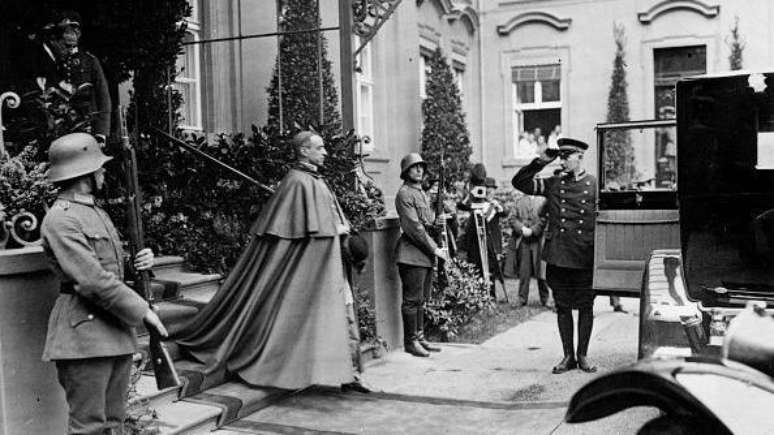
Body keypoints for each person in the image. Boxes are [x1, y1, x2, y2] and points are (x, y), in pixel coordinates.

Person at [174, 131, 368, 392]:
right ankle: (341, 374)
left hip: (332, 263)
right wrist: (335, 233)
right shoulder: (297, 182)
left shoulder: (316, 180)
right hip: (315, 268)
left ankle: (351, 375)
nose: (325, 152)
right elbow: (294, 236)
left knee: (346, 314)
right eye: (319, 148)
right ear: (303, 151)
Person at [41, 132, 168, 434]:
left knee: (113, 423)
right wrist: (142, 311)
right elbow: (92, 279)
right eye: (99, 167)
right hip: (83, 337)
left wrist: (139, 262)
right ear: (84, 173)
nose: (103, 171)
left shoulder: (95, 211)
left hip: (113, 332)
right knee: (89, 427)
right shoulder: (61, 219)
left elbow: (108, 267)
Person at [512, 137, 598, 374]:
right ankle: (568, 356)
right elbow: (520, 182)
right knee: (562, 306)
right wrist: (540, 162)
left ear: (580, 157)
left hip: (584, 256)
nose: (562, 160)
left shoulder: (594, 185)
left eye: (566, 156)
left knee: (585, 307)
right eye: (560, 156)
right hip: (559, 256)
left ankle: (582, 355)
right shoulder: (554, 183)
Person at [394, 153, 447, 357]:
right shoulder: (405, 194)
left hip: (423, 255)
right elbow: (414, 228)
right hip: (411, 254)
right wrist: (435, 249)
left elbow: (427, 221)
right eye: (414, 167)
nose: (419, 170)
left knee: (421, 299)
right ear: (406, 171)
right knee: (412, 300)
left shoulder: (421, 193)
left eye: (421, 167)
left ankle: (420, 336)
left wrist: (437, 221)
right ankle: (411, 341)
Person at [49, 10, 112, 142]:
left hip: (88, 126)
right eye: (65, 31)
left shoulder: (90, 61)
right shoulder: (56, 63)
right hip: (62, 128)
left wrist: (101, 132)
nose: (69, 34)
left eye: (73, 30)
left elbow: (103, 96)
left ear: (79, 33)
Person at [460, 176, 508, 299]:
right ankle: (478, 296)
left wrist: (498, 206)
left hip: (491, 243)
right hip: (476, 243)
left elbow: (505, 213)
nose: (490, 192)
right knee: (477, 268)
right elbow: (461, 205)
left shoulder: (495, 205)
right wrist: (471, 194)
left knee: (491, 269)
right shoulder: (475, 203)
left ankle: (491, 296)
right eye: (487, 189)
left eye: (492, 189)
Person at [510, 194, 551, 307]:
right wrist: (522, 228)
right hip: (523, 240)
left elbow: (545, 218)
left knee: (541, 270)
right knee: (524, 270)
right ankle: (522, 298)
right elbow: (512, 218)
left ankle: (545, 298)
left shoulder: (543, 200)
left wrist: (533, 230)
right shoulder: (518, 200)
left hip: (539, 239)